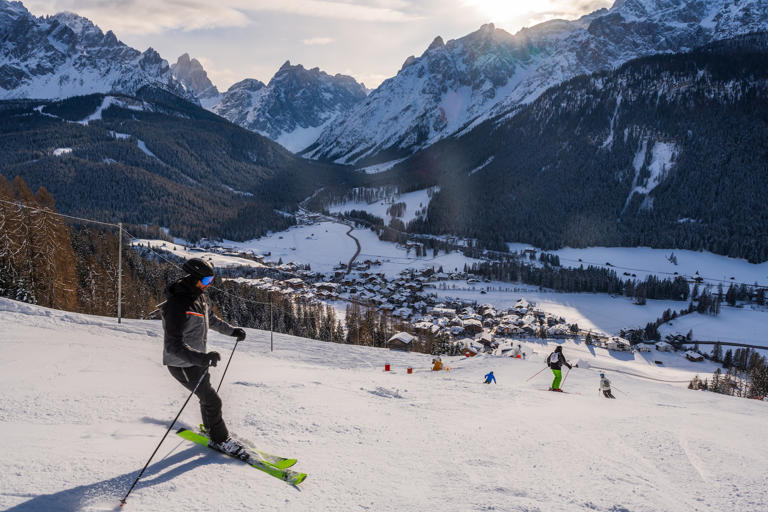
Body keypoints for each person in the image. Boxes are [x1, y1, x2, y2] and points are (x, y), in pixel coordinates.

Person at [161, 257, 248, 458]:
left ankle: (212, 430)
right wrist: (200, 358)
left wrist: (232, 331)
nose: (208, 285)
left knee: (207, 397)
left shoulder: (199, 297)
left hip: (197, 360)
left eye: (210, 281)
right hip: (182, 363)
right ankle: (221, 441)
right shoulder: (178, 304)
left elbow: (212, 320)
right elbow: (172, 345)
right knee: (213, 400)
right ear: (194, 278)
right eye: (206, 281)